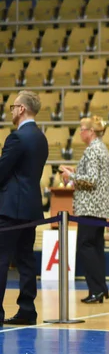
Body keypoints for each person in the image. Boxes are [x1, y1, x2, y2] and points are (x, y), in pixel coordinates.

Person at [0, 91, 48, 326]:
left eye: (12, 106)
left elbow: (3, 172)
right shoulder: (41, 137)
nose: (10, 111)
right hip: (30, 208)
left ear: (21, 109)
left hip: (10, 208)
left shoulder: (17, 137)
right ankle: (27, 309)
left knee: (1, 259)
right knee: (26, 260)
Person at [60, 116, 109, 304]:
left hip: (90, 207)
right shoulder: (101, 148)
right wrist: (74, 172)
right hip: (100, 207)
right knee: (96, 247)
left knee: (86, 246)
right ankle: (101, 288)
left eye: (82, 129)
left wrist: (70, 175)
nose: (80, 132)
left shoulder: (92, 150)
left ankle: (96, 289)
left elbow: (90, 179)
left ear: (91, 131)